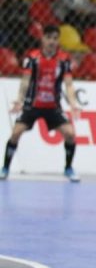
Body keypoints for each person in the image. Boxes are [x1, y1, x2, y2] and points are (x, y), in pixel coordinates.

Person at [1, 25, 81, 182]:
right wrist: (19, 100)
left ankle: (68, 168)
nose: (52, 42)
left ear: (58, 41)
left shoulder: (63, 60)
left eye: (55, 38)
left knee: (70, 134)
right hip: (32, 106)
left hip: (53, 107)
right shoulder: (32, 58)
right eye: (48, 38)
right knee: (16, 133)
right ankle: (5, 168)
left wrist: (73, 104)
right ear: (42, 39)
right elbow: (25, 81)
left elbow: (69, 84)